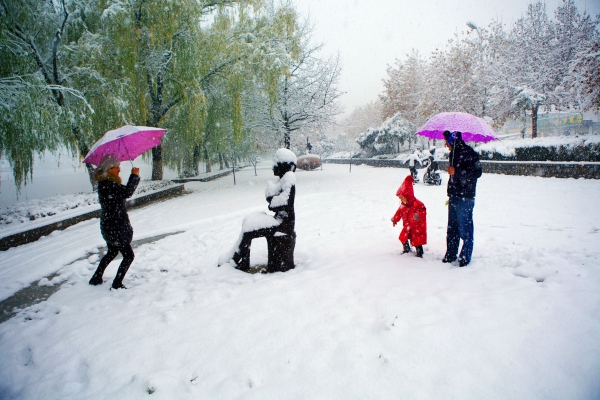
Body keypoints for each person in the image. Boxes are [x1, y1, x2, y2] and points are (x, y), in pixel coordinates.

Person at [220, 148, 296, 272]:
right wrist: (271, 197)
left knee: (249, 230)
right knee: (249, 223)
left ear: (284, 164)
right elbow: (271, 197)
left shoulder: (289, 179)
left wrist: (271, 201)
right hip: (278, 219)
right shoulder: (282, 179)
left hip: (284, 224)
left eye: (276, 163)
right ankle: (237, 257)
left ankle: (238, 259)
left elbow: (283, 202)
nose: (273, 167)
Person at [89, 155, 140, 289]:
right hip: (117, 226)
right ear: (109, 169)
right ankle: (117, 283)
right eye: (117, 167)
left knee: (112, 252)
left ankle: (96, 277)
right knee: (128, 256)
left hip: (109, 225)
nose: (119, 169)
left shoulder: (104, 183)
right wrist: (134, 176)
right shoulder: (109, 184)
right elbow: (128, 192)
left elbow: (122, 193)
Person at [442, 130, 482, 267]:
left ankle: (465, 256)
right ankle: (451, 253)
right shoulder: (452, 154)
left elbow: (477, 172)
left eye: (446, 140)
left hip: (465, 197)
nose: (445, 143)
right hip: (454, 195)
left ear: (452, 139)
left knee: (465, 228)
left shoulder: (469, 152)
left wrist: (457, 172)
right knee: (452, 228)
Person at [391, 175, 427, 258]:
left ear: (408, 196)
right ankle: (406, 249)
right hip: (407, 226)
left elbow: (423, 211)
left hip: (416, 227)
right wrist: (394, 220)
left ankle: (419, 252)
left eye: (402, 198)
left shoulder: (418, 204)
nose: (401, 200)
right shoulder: (403, 206)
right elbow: (398, 213)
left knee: (417, 240)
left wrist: (418, 216)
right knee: (403, 237)